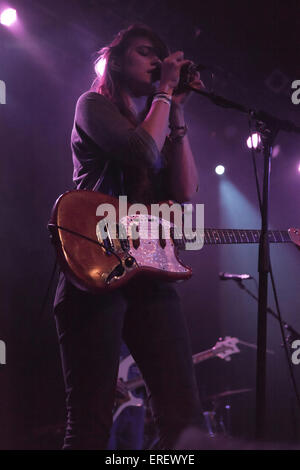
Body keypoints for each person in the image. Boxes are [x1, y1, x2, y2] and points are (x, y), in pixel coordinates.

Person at [53, 23, 203, 450]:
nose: (157, 61)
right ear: (116, 62)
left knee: (185, 420)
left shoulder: (156, 119)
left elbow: (185, 192)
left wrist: (175, 109)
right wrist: (164, 93)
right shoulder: (92, 106)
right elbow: (139, 151)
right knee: (89, 424)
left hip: (149, 274)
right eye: (144, 52)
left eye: (160, 54)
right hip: (94, 265)